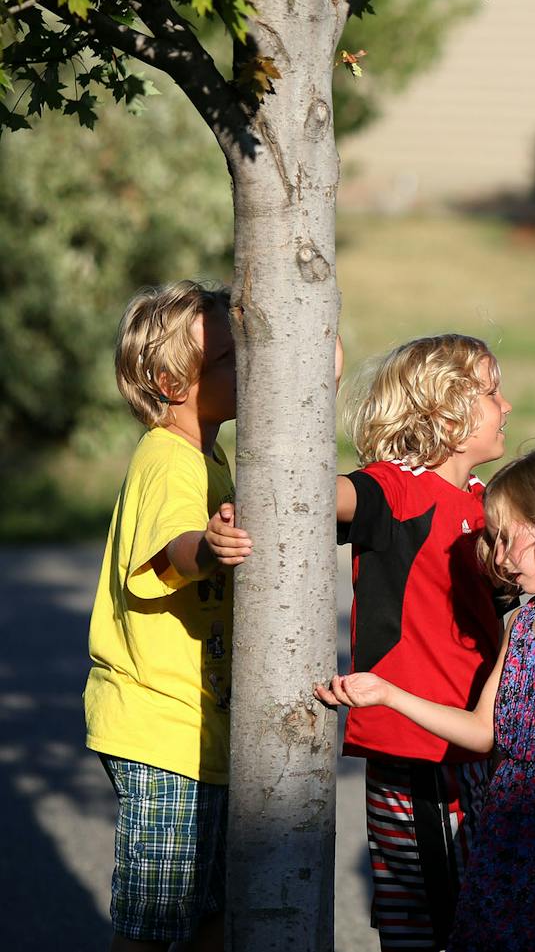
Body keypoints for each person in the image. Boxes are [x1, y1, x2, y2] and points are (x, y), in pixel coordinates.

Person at [209, 333, 512, 952]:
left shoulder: (484, 503)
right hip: (418, 747)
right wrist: (251, 506)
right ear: (446, 414)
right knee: (430, 915)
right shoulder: (400, 489)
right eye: (491, 393)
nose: (507, 406)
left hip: (473, 740)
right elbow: (328, 497)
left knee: (477, 905)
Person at [315, 444, 535, 952]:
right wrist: (390, 695)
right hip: (513, 846)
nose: (499, 557)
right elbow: (483, 730)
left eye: (507, 539)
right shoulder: (524, 623)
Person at [84, 280, 239, 952]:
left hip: (200, 730)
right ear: (174, 381)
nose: (251, 367)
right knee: (151, 927)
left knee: (211, 912)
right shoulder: (169, 461)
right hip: (162, 731)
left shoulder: (209, 453)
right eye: (233, 358)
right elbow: (169, 550)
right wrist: (207, 547)